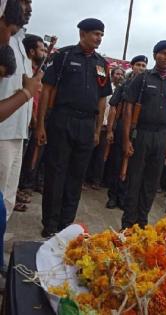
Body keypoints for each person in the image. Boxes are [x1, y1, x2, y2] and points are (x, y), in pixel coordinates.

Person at [36, 18, 112, 237]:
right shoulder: (64, 56)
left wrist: (97, 129)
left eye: (101, 35)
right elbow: (47, 91)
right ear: (82, 33)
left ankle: (65, 225)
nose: (99, 38)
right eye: (96, 34)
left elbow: (102, 99)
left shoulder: (101, 64)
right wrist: (41, 124)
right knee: (56, 172)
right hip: (62, 119)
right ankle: (50, 224)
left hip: (87, 124)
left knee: (76, 176)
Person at [121, 40, 166, 228]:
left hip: (161, 136)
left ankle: (142, 222)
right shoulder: (143, 78)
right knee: (135, 180)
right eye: (163, 53)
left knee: (151, 183)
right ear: (155, 55)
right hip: (142, 134)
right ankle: (128, 224)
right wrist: (126, 138)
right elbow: (128, 108)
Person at [0, 0, 40, 219]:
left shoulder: (19, 44)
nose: (28, 7)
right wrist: (26, 92)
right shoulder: (4, 39)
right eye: (24, 1)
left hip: (17, 133)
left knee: (7, 200)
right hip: (2, 133)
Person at [105, 55, 147, 209]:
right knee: (116, 162)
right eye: (138, 65)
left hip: (140, 129)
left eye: (144, 65)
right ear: (132, 66)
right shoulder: (124, 85)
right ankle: (113, 196)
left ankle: (124, 197)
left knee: (132, 166)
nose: (141, 68)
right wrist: (110, 129)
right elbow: (114, 107)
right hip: (123, 125)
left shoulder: (147, 86)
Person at [17, 34, 46, 200]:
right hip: (21, 120)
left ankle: (16, 190)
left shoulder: (36, 71)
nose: (43, 52)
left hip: (29, 121)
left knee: (23, 157)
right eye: (41, 49)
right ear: (31, 51)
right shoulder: (24, 70)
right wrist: (34, 117)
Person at [86, 66, 125, 190]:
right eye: (117, 74)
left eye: (121, 74)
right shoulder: (105, 88)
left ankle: (97, 180)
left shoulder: (123, 91)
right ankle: (83, 179)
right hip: (97, 123)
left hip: (109, 127)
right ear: (112, 75)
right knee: (88, 153)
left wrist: (111, 128)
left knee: (102, 155)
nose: (119, 76)